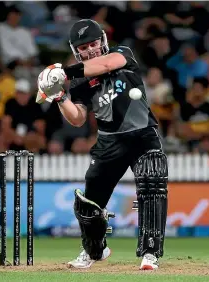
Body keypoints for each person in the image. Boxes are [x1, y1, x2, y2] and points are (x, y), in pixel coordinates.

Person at [37, 19, 168, 271]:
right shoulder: (80, 82)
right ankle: (94, 250)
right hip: (109, 143)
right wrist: (59, 96)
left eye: (93, 43)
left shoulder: (122, 54)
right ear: (77, 50)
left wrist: (64, 72)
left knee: (152, 183)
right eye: (83, 48)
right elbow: (77, 118)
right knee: (89, 206)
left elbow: (106, 64)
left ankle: (150, 253)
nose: (90, 50)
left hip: (143, 136)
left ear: (103, 41)